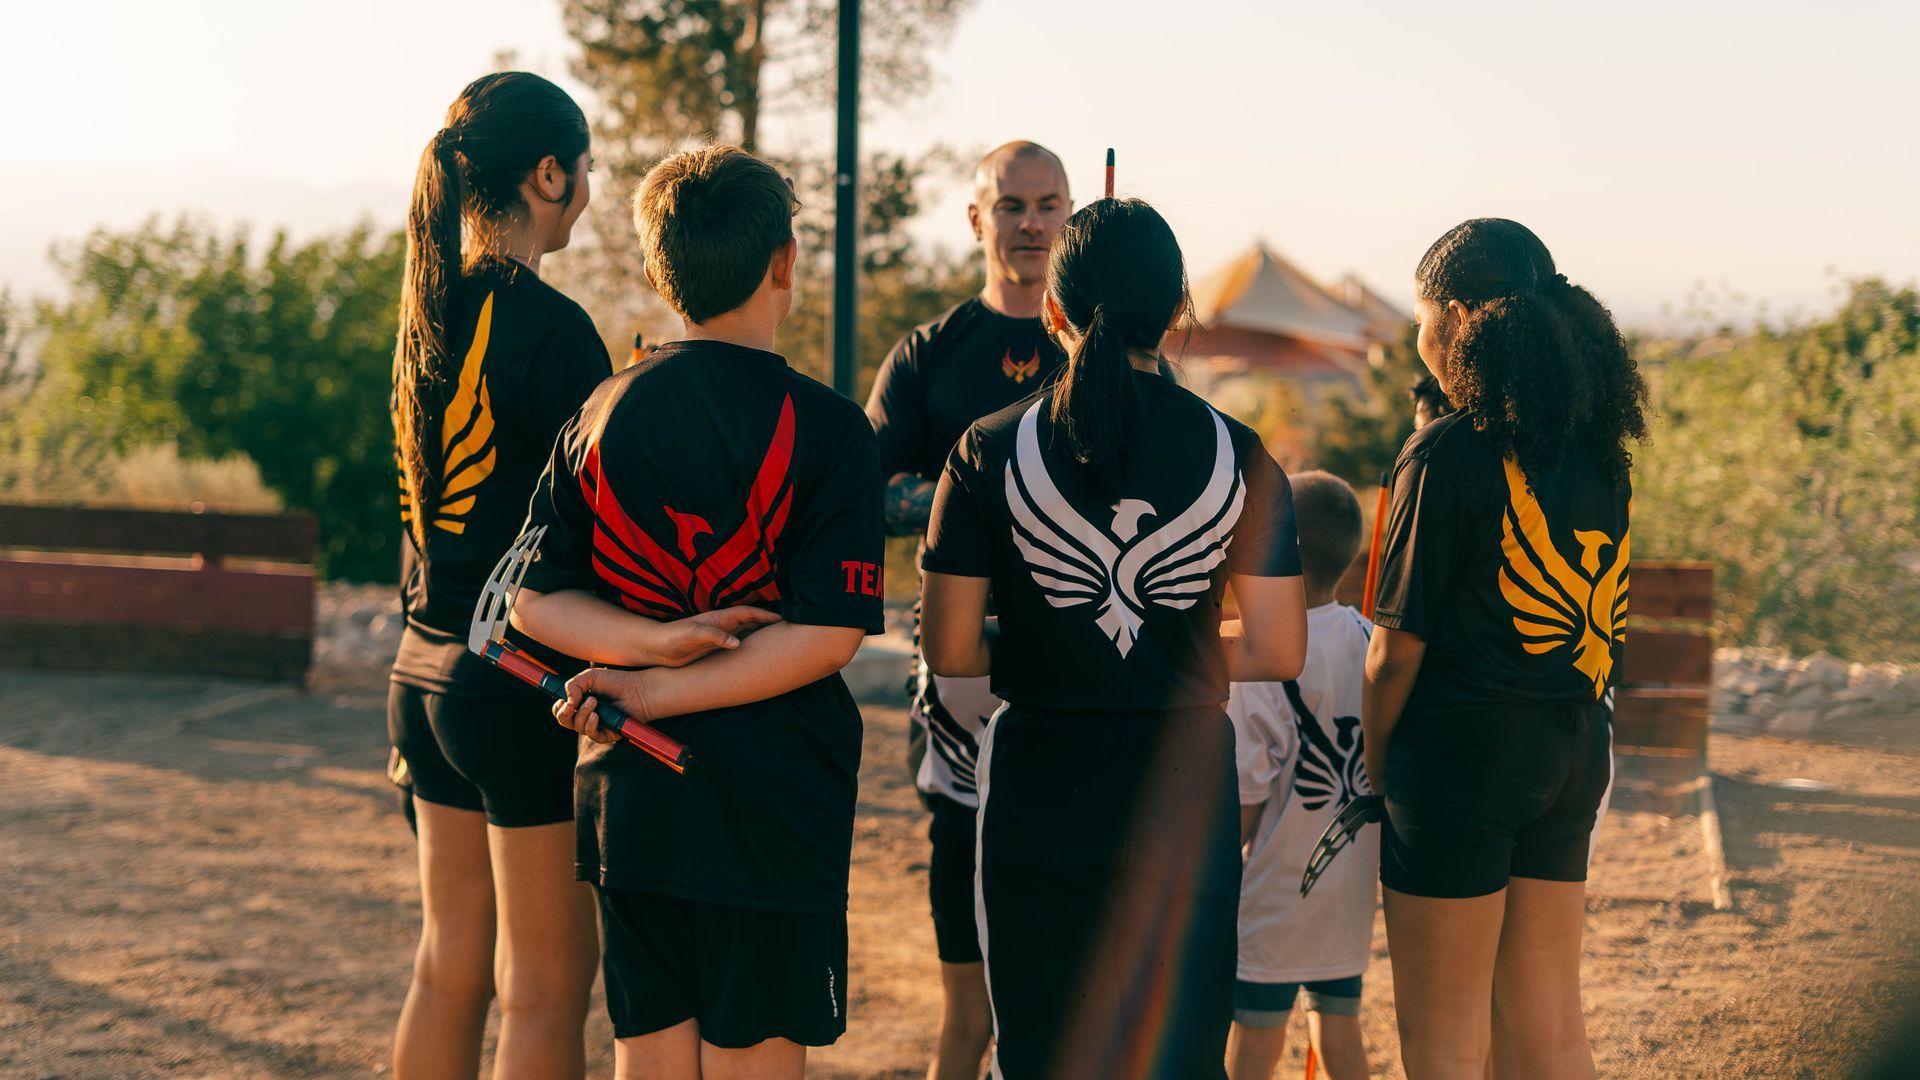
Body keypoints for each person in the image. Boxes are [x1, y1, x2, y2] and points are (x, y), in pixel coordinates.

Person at [918, 197, 1309, 1079]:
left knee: (1044, 1047)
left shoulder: (985, 450)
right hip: (1184, 783)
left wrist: (1048, 644)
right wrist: (1179, 650)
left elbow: (950, 649)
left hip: (1041, 778)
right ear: (1177, 313)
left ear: (1053, 309)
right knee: (1177, 1052)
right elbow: (1279, 649)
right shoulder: (1241, 453)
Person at [517, 145, 885, 1080]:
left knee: (650, 1060)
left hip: (632, 800)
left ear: (657, 274)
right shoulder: (830, 428)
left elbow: (531, 601)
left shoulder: (600, 411)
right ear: (784, 264)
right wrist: (654, 679)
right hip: (771, 800)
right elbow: (828, 636)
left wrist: (645, 658)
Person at [1363, 218, 1648, 1079]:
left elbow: (1393, 654)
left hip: (1459, 763)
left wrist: (1378, 769)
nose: (1420, 340)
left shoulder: (1443, 452)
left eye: (1422, 318)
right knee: (1548, 1035)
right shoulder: (1600, 452)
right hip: (1572, 753)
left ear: (1454, 316)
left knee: (1446, 1049)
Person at [385, 71, 623, 1080]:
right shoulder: (555, 330)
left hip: (420, 673)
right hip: (513, 683)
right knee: (545, 991)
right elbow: (605, 528)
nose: (589, 191)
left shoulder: (428, 309)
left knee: (448, 970)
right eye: (586, 171)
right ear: (548, 175)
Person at [862, 139, 1071, 1080]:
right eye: (1012, 205)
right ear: (977, 218)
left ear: (1071, 216)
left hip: (1078, 665)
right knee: (966, 888)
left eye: (1048, 204)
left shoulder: (1103, 355)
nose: (1031, 224)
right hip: (955, 670)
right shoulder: (929, 354)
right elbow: (869, 490)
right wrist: (974, 497)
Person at [1225, 471, 1376, 1080]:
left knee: (1253, 1047)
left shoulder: (1260, 657)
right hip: (1348, 887)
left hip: (1273, 893)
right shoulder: (1371, 641)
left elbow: (1245, 796)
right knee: (1340, 1036)